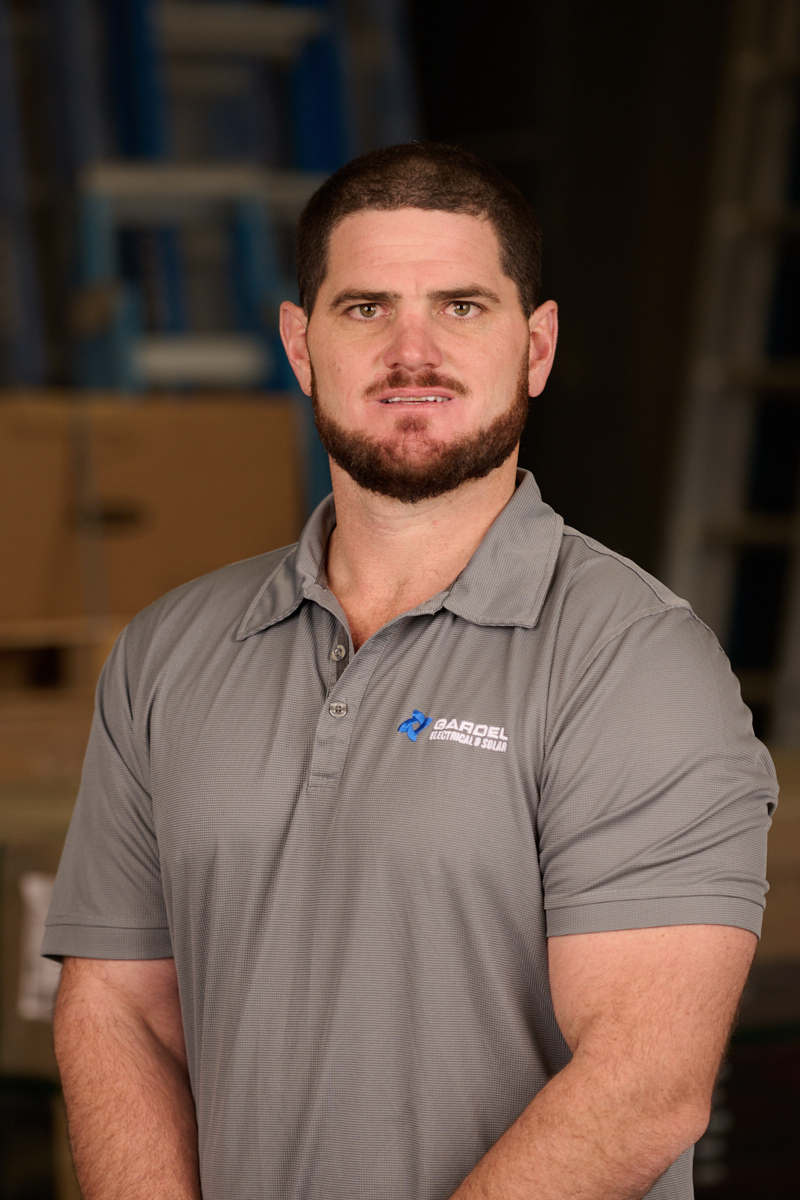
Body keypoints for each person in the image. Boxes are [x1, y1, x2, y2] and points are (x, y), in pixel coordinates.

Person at [44, 143, 776, 1200]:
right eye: (365, 308)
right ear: (300, 344)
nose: (411, 350)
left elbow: (644, 1082)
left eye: (463, 307)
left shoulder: (634, 664)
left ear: (537, 345)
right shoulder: (171, 650)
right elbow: (119, 1009)